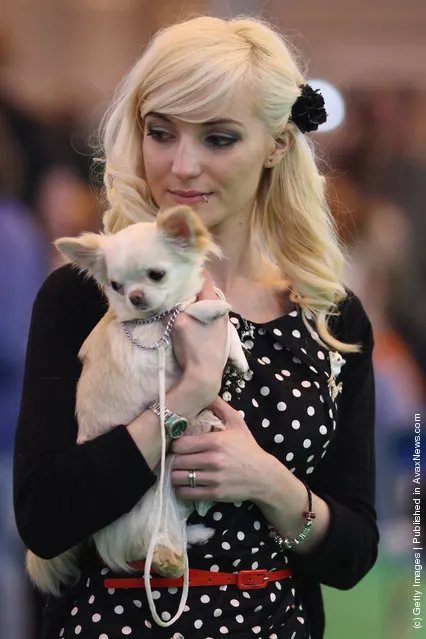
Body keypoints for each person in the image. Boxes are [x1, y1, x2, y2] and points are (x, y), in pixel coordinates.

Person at [13, 15, 379, 639]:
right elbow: (44, 521)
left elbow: (355, 554)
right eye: (161, 133)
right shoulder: (87, 295)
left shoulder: (329, 317)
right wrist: (180, 403)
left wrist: (268, 482)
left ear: (277, 144)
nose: (181, 166)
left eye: (218, 138)